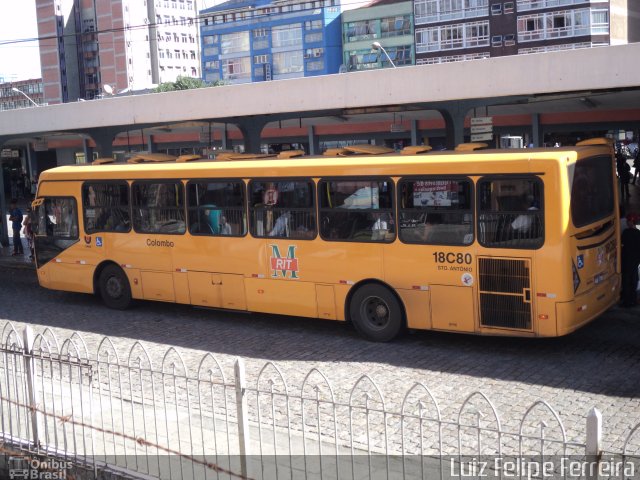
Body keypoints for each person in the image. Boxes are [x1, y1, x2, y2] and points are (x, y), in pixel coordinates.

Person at [620, 214, 640, 307]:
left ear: (632, 222)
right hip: (635, 261)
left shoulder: (626, 232)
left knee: (626, 281)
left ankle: (627, 301)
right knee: (634, 280)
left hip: (626, 261)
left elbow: (622, 245)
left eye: (629, 221)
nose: (627, 222)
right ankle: (634, 300)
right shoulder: (638, 233)